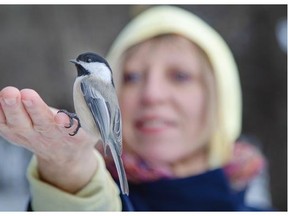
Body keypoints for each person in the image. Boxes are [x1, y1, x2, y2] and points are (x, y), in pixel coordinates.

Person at [0, 6, 271, 211]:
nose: (152, 95)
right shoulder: (107, 197)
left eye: (179, 76)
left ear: (221, 100)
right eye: (132, 77)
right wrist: (70, 178)